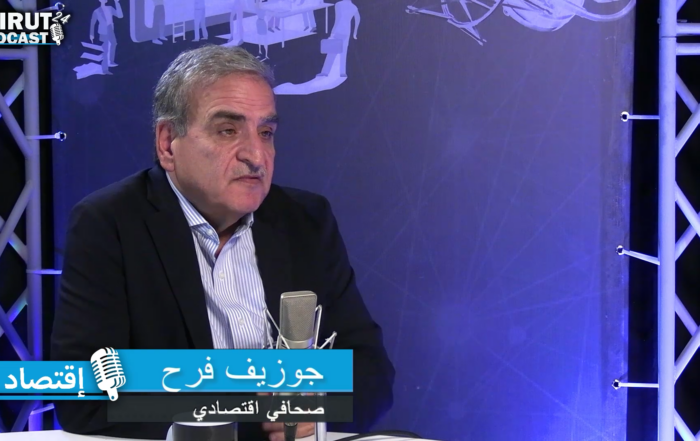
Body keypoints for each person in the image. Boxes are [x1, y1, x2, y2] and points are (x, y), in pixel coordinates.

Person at [50, 44, 395, 441]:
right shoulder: (110, 224)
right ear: (167, 143)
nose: (256, 155)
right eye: (228, 130)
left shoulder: (305, 220)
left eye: (266, 133)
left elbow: (370, 371)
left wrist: (321, 406)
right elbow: (84, 394)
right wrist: (254, 411)